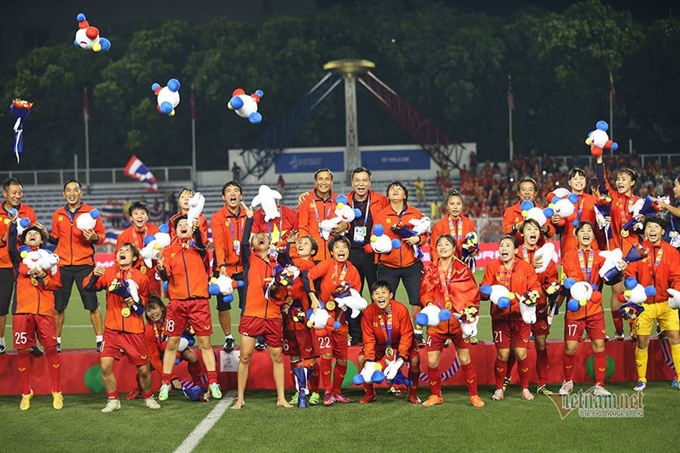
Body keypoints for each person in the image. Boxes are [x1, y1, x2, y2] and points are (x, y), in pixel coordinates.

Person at [83, 243, 161, 412]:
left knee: (144, 369)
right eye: (120, 251)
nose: (122, 252)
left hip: (134, 330)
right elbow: (88, 288)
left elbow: (146, 300)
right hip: (112, 329)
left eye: (126, 251)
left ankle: (148, 396)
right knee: (105, 367)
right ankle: (113, 400)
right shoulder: (109, 272)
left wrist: (137, 302)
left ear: (134, 258)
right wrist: (94, 275)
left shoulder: (141, 278)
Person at [231, 203, 291, 410]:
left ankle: (281, 397)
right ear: (253, 244)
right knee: (245, 356)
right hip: (252, 314)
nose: (261, 236)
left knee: (276, 356)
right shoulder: (249, 260)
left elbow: (284, 288)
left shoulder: (277, 265)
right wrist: (249, 220)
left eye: (264, 235)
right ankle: (240, 398)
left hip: (273, 316)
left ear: (270, 241)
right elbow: (243, 243)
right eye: (257, 236)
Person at [157, 215, 222, 401]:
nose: (183, 226)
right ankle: (165, 384)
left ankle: (213, 382)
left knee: (205, 344)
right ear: (174, 231)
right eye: (180, 225)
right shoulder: (168, 252)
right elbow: (165, 276)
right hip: (177, 303)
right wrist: (161, 268)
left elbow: (202, 242)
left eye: (186, 224)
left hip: (199, 302)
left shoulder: (199, 249)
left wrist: (197, 231)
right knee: (171, 344)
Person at [420, 235, 484, 408]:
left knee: (464, 358)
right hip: (437, 323)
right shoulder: (431, 269)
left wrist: (468, 315)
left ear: (454, 247)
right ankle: (436, 395)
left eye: (446, 244)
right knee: (432, 361)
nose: (442, 247)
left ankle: (474, 395)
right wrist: (429, 305)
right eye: (439, 244)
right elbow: (425, 291)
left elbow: (472, 293)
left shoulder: (463, 269)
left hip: (457, 323)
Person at [560, 221, 622, 396]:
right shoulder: (569, 256)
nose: (586, 233)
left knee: (599, 345)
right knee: (570, 347)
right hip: (575, 309)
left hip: (595, 309)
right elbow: (573, 276)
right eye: (582, 231)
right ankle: (567, 382)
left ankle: (599, 386)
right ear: (576, 235)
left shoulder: (601, 256)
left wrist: (619, 270)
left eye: (589, 231)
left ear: (594, 236)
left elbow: (610, 279)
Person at [7, 222, 62, 410]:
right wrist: (13, 224)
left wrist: (43, 277)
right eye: (29, 233)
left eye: (36, 233)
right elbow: (11, 243)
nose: (32, 234)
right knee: (22, 351)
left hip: (45, 310)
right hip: (22, 309)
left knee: (51, 349)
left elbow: (57, 285)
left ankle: (56, 391)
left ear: (42, 239)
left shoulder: (50, 260)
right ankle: (26, 392)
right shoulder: (19, 258)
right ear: (24, 238)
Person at [481, 235, 541, 401]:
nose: (504, 249)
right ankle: (499, 389)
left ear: (515, 250)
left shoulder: (526, 268)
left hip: (520, 318)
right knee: (503, 355)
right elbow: (484, 288)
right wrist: (484, 292)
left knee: (521, 354)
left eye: (508, 246)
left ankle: (525, 389)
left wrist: (534, 295)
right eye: (501, 246)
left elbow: (535, 287)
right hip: (500, 319)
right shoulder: (492, 267)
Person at [304, 235, 362, 406]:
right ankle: (327, 392)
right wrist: (313, 297)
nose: (341, 250)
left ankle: (337, 392)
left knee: (342, 359)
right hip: (324, 320)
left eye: (344, 247)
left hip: (341, 321)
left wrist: (349, 303)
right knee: (327, 354)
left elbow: (357, 295)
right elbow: (309, 276)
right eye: (337, 247)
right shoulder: (327, 265)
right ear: (331, 251)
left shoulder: (353, 271)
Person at [624, 217, 680, 391]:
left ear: (662, 231)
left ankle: (679, 377)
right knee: (642, 341)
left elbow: (677, 277)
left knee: (675, 337)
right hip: (644, 305)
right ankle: (642, 379)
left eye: (656, 227)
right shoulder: (637, 250)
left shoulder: (672, 252)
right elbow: (629, 275)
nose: (652, 230)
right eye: (649, 227)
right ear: (645, 231)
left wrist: (676, 295)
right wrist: (633, 286)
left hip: (666, 303)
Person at [49, 180, 105, 352]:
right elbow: (55, 238)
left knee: (92, 305)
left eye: (75, 190)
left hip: (85, 264)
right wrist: (45, 234)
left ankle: (100, 340)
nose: (72, 193)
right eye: (68, 190)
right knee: (58, 307)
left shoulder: (91, 213)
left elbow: (101, 237)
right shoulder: (57, 214)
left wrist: (94, 236)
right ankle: (56, 341)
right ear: (63, 194)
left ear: (81, 193)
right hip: (63, 265)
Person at [373, 181, 427, 344]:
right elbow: (374, 238)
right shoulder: (381, 215)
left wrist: (418, 239)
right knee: (386, 301)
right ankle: (390, 334)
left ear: (405, 195)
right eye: (392, 189)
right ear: (388, 196)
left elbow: (424, 234)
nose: (395, 191)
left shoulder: (415, 213)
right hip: (388, 265)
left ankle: (417, 332)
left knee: (417, 300)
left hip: (412, 264)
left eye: (399, 189)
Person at [595, 155, 640, 340]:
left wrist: (641, 224)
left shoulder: (639, 202)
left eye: (624, 179)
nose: (620, 182)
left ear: (633, 182)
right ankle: (619, 330)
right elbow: (602, 181)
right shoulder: (613, 198)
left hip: (634, 253)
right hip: (615, 251)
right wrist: (599, 161)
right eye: (618, 179)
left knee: (633, 292)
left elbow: (647, 225)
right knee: (616, 291)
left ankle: (634, 329)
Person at [127, 297, 207, 401]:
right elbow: (154, 358)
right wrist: (172, 378)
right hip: (157, 354)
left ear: (162, 308)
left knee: (192, 356)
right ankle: (139, 388)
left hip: (172, 349)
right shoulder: (149, 330)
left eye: (154, 308)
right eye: (148, 310)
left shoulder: (171, 321)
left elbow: (187, 332)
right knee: (144, 369)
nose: (152, 313)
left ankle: (198, 385)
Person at [358, 280, 421, 405]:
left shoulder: (401, 310)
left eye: (383, 292)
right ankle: (370, 393)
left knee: (415, 360)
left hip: (401, 342)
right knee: (361, 358)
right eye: (376, 293)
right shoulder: (368, 313)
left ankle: (412, 394)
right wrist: (369, 360)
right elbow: (368, 338)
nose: (380, 296)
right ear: (372, 296)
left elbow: (407, 335)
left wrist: (401, 357)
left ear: (390, 295)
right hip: (379, 344)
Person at [345, 167, 388, 345]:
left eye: (364, 180)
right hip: (351, 252)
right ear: (352, 182)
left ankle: (380, 334)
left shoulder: (381, 200)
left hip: (372, 253)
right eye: (357, 180)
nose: (361, 184)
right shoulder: (345, 200)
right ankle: (356, 335)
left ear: (369, 183)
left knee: (376, 293)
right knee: (352, 295)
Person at [517, 219, 559, 395]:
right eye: (529, 229)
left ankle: (542, 384)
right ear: (522, 233)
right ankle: (506, 383)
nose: (533, 232)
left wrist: (553, 286)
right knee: (516, 348)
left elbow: (553, 277)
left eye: (535, 229)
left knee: (541, 344)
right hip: (519, 309)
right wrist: (529, 267)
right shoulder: (516, 252)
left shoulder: (544, 253)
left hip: (540, 307)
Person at [210, 181, 248, 352]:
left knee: (247, 304)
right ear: (223, 197)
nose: (233, 193)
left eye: (236, 191)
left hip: (245, 266)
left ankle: (249, 335)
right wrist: (222, 265)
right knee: (223, 304)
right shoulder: (218, 217)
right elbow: (218, 243)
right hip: (224, 266)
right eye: (229, 191)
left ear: (241, 196)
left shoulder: (248, 215)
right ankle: (228, 337)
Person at [283, 235, 321, 407]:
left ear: (312, 251)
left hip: (304, 318)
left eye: (305, 243)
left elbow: (296, 266)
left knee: (309, 357)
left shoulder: (308, 265)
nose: (301, 245)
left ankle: (314, 391)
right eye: (300, 243)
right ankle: (299, 390)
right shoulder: (291, 265)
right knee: (294, 357)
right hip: (288, 317)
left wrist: (290, 245)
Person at [0, 177, 37, 355]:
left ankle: (30, 342)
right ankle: (1, 342)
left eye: (20, 192)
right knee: (1, 305)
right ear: (4, 193)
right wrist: (4, 239)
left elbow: (33, 236)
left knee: (27, 306)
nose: (17, 196)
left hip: (25, 265)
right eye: (13, 192)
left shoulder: (28, 212)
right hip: (3, 265)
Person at [297, 168, 345, 261]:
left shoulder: (339, 200)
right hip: (314, 255)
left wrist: (345, 225)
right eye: (320, 179)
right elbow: (302, 228)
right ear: (315, 182)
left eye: (327, 179)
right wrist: (305, 251)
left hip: (334, 255)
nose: (324, 182)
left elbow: (347, 218)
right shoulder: (306, 200)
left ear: (331, 182)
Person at [116, 201, 161, 297]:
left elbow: (165, 250)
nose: (139, 216)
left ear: (147, 217)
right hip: (132, 277)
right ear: (131, 218)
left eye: (143, 213)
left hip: (152, 276)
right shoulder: (124, 237)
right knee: (134, 307)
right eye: (136, 214)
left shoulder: (156, 231)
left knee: (155, 307)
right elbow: (118, 260)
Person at [552, 168, 598, 253]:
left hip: (590, 246)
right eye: (575, 178)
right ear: (569, 182)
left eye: (581, 178)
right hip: (569, 247)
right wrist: (555, 221)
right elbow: (557, 229)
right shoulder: (561, 202)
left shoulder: (594, 201)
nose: (579, 181)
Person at [502, 177, 555, 246]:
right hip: (518, 251)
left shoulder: (542, 211)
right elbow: (506, 230)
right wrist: (515, 227)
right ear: (518, 193)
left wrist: (546, 229)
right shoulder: (511, 211)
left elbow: (552, 231)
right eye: (523, 190)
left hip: (538, 251)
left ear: (535, 193)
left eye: (530, 190)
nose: (527, 193)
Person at [429, 189, 476, 263]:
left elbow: (473, 245)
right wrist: (439, 265)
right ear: (447, 206)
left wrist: (473, 251)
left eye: (458, 204)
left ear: (462, 206)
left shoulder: (469, 223)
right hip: (445, 266)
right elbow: (434, 249)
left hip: (464, 266)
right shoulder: (439, 225)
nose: (455, 207)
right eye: (452, 204)